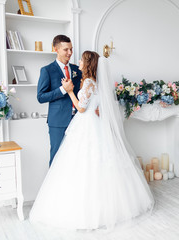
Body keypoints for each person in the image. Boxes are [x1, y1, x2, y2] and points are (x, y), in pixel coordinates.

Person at [29, 51, 154, 230]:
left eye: (81, 59)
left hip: (85, 123)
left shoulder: (88, 82)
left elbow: (81, 108)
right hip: (91, 123)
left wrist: (70, 91)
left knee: (83, 164)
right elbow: (98, 105)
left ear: (87, 63)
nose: (77, 61)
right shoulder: (95, 82)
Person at [37, 35, 82, 166]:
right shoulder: (47, 70)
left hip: (78, 120)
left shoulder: (76, 70)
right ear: (56, 49)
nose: (70, 53)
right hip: (58, 122)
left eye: (71, 49)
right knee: (57, 157)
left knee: (76, 157)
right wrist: (62, 90)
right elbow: (41, 97)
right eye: (66, 49)